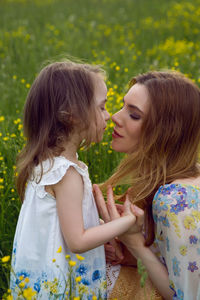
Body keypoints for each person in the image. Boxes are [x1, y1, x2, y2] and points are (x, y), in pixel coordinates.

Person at [10, 60, 141, 299]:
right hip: (62, 286)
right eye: (102, 107)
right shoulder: (66, 173)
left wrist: (103, 226)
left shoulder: (48, 163)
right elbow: (78, 241)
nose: (109, 115)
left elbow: (62, 226)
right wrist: (127, 223)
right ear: (72, 116)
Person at [93, 70, 200, 300]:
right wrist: (128, 249)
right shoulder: (185, 174)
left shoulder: (176, 200)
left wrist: (135, 244)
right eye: (123, 106)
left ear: (165, 133)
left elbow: (187, 295)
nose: (115, 117)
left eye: (133, 115)